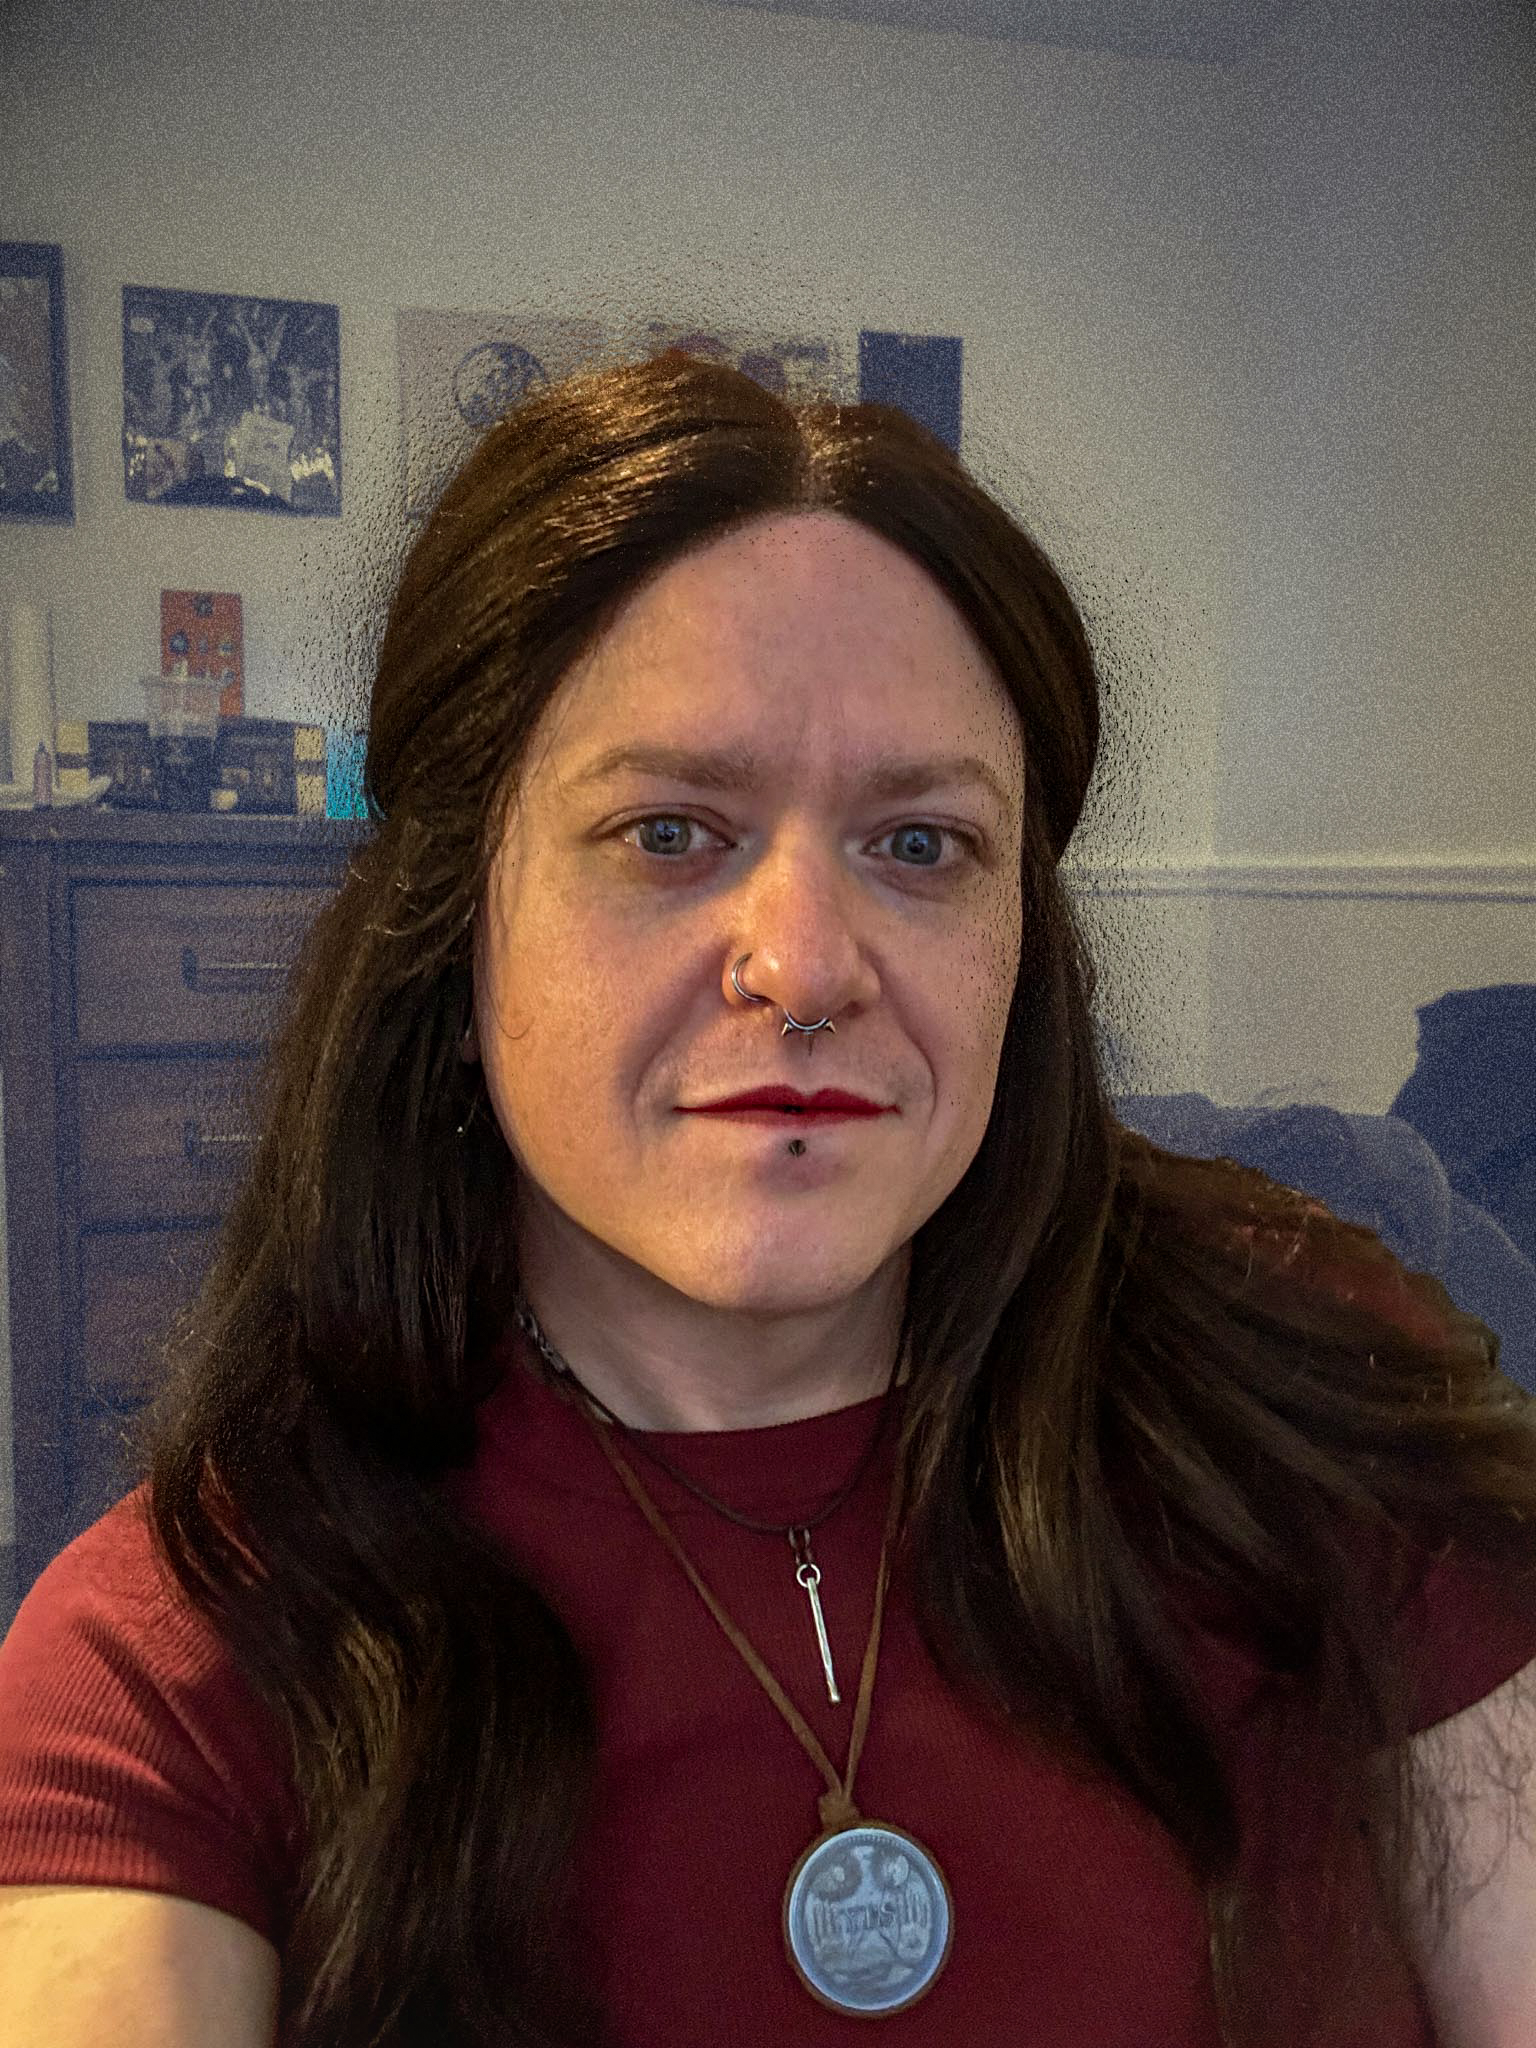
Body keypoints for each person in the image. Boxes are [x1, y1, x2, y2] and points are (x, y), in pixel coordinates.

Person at [1, 350, 1534, 2048]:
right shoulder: (178, 1669)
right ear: (455, 930)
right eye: (668, 833)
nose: (805, 967)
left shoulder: (1310, 1389)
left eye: (921, 845)